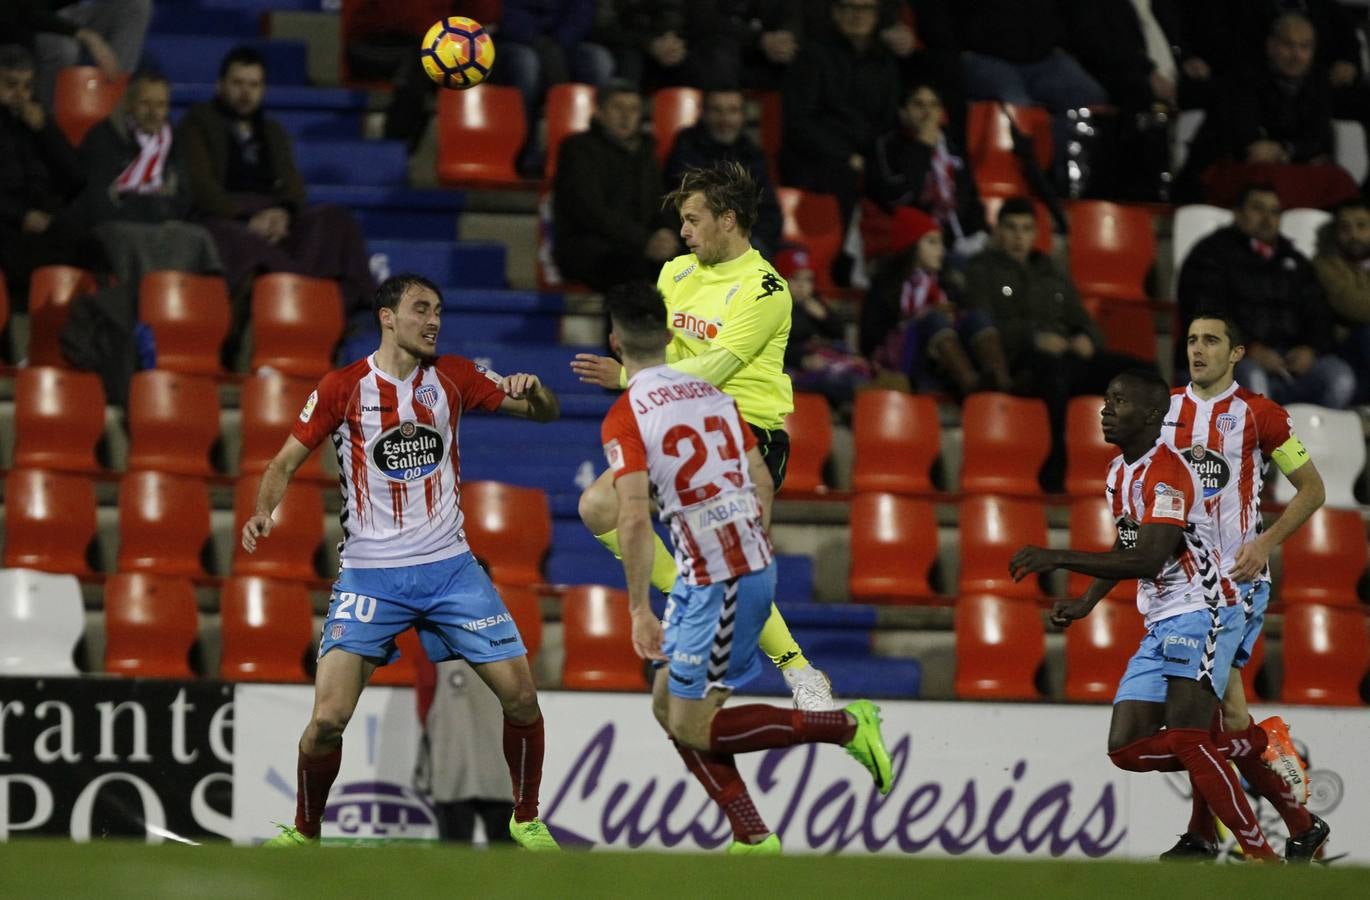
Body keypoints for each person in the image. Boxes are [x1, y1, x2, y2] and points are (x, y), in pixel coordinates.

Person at [242, 273, 562, 851]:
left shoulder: (457, 377)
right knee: (327, 720)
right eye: (421, 309)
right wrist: (264, 511)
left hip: (451, 568)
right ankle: (306, 830)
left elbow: (544, 414)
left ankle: (527, 816)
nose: (434, 320)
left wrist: (534, 389)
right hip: (371, 574)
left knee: (521, 697)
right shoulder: (343, 388)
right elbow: (284, 462)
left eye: (438, 309)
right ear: (387, 317)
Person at [598, 280, 893, 853]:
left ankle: (848, 725)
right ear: (667, 336)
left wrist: (639, 608)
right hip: (717, 570)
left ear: (615, 342)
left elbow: (633, 518)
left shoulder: (626, 413)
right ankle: (752, 835)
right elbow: (760, 477)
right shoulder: (712, 394)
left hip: (721, 578)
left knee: (692, 724)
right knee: (668, 707)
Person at [570, 161, 836, 711]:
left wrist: (625, 377)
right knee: (598, 507)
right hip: (680, 420)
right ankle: (684, 602)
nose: (683, 232)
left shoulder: (766, 289)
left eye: (693, 220)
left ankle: (799, 669)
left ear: (729, 220)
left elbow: (715, 368)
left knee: (725, 565)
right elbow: (668, 354)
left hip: (745, 434)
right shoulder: (677, 274)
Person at [1008, 369, 1282, 862]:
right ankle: (1253, 745)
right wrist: (1090, 599)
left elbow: (1149, 558)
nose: (1105, 409)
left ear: (1154, 415)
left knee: (1190, 738)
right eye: (1106, 400)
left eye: (1118, 401)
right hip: (1162, 619)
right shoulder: (1119, 472)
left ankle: (1262, 855)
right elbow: (1130, 543)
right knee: (1125, 748)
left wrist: (1058, 557)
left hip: (1204, 610)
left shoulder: (1169, 472)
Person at [1157, 313, 1330, 862]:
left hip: (1236, 582)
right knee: (1217, 718)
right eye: (1191, 340)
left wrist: (1264, 545)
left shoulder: (1260, 415)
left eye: (1211, 341)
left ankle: (1233, 833)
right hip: (1183, 587)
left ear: (1236, 354)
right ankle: (1288, 824)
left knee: (1217, 715)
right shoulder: (1165, 410)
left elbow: (1312, 489)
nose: (1197, 350)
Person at [178, 46, 377, 320]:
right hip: (225, 216)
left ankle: (354, 307)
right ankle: (299, 302)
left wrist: (283, 212)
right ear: (220, 85)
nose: (245, 92)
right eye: (238, 83)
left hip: (273, 215)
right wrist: (247, 218)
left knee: (336, 220)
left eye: (254, 85)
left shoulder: (272, 130)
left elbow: (293, 184)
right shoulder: (197, 123)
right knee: (245, 245)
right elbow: (200, 186)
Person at [962, 196, 1144, 490]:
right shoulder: (982, 270)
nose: (1019, 237)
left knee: (1139, 374)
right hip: (1023, 360)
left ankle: (1147, 466)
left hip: (1066, 358)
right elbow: (982, 326)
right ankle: (1056, 468)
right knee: (1054, 375)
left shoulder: (1051, 271)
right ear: (998, 232)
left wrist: (1087, 339)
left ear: (1035, 233)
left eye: (1025, 229)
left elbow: (1085, 322)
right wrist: (1034, 337)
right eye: (1011, 228)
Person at [1175, 183, 1355, 408]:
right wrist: (1248, 348)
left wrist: (1311, 349)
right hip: (1232, 360)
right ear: (1238, 214)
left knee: (1339, 377)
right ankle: (1259, 441)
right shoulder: (1210, 255)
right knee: (1253, 378)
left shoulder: (1295, 261)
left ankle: (1306, 442)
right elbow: (1204, 313)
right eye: (1258, 209)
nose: (1267, 218)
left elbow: (1319, 313)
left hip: (1288, 364)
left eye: (1274, 211)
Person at [1178, 12, 1358, 208]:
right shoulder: (1242, 79)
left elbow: (1319, 138)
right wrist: (1297, 151)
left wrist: (1283, 151)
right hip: (1224, 174)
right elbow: (1248, 144)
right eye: (1288, 45)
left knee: (1339, 181)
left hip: (1287, 171)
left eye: (1304, 47)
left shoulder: (1318, 83)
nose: (1296, 55)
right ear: (1271, 46)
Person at [76, 70, 222, 290]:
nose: (154, 113)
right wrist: (153, 205)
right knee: (125, 238)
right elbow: (98, 205)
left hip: (162, 226)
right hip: (116, 228)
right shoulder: (103, 137)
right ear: (128, 103)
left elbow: (184, 199)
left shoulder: (172, 141)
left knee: (199, 237)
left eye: (161, 105)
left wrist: (148, 204)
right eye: (146, 103)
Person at [860, 205, 1009, 396]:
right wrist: (915, 321)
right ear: (912, 246)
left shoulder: (946, 284)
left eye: (940, 243)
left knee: (977, 318)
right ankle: (971, 385)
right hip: (906, 364)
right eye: (932, 242)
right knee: (933, 319)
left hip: (941, 366)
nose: (941, 250)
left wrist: (953, 316)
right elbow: (870, 342)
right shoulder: (884, 288)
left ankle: (1003, 383)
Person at [551, 79, 678, 292]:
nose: (626, 116)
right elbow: (590, 212)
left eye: (634, 109)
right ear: (599, 112)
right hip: (588, 246)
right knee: (629, 269)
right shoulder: (578, 150)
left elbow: (660, 202)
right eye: (618, 107)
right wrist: (644, 241)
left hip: (639, 244)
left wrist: (667, 234)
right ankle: (625, 326)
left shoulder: (645, 152)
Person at [0, 43, 99, 307]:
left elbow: (77, 177)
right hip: (8, 221)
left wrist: (45, 132)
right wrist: (21, 215)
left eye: (27, 86)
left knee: (94, 245)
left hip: (43, 219)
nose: (20, 94)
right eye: (11, 84)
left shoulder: (38, 121)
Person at [867, 82, 988, 261]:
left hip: (959, 237)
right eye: (918, 104)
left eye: (934, 105)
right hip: (917, 241)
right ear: (903, 111)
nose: (927, 112)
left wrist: (979, 230)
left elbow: (970, 194)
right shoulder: (888, 144)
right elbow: (898, 198)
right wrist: (922, 147)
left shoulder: (951, 144)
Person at [663, 87, 782, 259]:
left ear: (742, 116)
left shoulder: (751, 153)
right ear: (703, 113)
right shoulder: (687, 146)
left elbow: (768, 211)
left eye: (732, 111)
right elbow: (682, 205)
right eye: (717, 110)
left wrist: (748, 241)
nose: (725, 119)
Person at [413, 657, 515, 846]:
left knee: (455, 858)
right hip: (498, 764)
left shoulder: (433, 643)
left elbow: (425, 704)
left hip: (452, 761)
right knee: (505, 858)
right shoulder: (505, 639)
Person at [1, 0, 149, 106]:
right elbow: (22, 9)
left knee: (136, 4)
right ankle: (46, 118)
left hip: (75, 10)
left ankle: (114, 103)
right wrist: (84, 35)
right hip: (34, 22)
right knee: (64, 49)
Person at [776, 245, 870, 411]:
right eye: (795, 279)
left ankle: (854, 402)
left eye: (808, 280)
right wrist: (803, 360)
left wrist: (824, 317)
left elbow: (839, 333)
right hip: (795, 367)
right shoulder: (775, 307)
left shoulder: (815, 303)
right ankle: (857, 400)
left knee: (856, 370)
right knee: (836, 381)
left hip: (825, 359)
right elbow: (775, 347)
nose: (802, 286)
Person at [1313, 197, 1370, 402]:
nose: (1354, 234)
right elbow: (1354, 307)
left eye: (1361, 226)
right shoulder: (1326, 264)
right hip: (1346, 350)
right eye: (1346, 228)